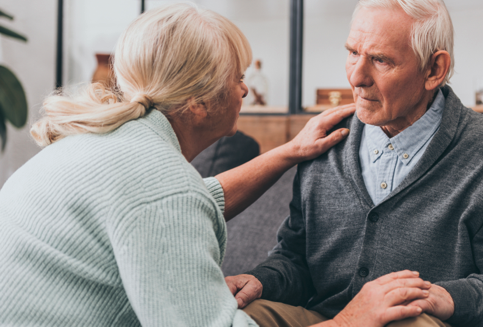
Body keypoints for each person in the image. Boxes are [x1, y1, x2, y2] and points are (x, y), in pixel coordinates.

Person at [0, 4, 361, 327]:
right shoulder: (162, 188)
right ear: (199, 103)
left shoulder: (101, 145)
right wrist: (353, 321)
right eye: (237, 77)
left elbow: (198, 198)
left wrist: (289, 151)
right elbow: (171, 202)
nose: (245, 91)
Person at [226, 1, 483, 327]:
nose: (356, 77)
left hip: (414, 321)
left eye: (380, 60)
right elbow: (296, 259)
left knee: (412, 322)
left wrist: (444, 297)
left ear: (434, 70)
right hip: (326, 319)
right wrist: (263, 280)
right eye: (353, 52)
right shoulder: (324, 140)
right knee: (236, 315)